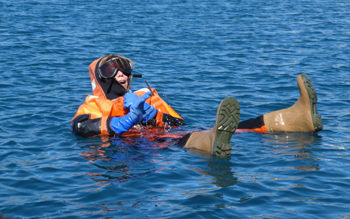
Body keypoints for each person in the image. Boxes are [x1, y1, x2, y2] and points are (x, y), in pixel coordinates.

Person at [72, 54, 322, 157]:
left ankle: (295, 118)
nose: (120, 74)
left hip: (164, 135)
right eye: (110, 69)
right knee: (188, 137)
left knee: (230, 126)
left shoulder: (145, 94)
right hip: (137, 150)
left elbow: (177, 122)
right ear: (99, 77)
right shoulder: (94, 103)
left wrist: (151, 114)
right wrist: (121, 122)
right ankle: (212, 142)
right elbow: (80, 127)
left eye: (124, 68)